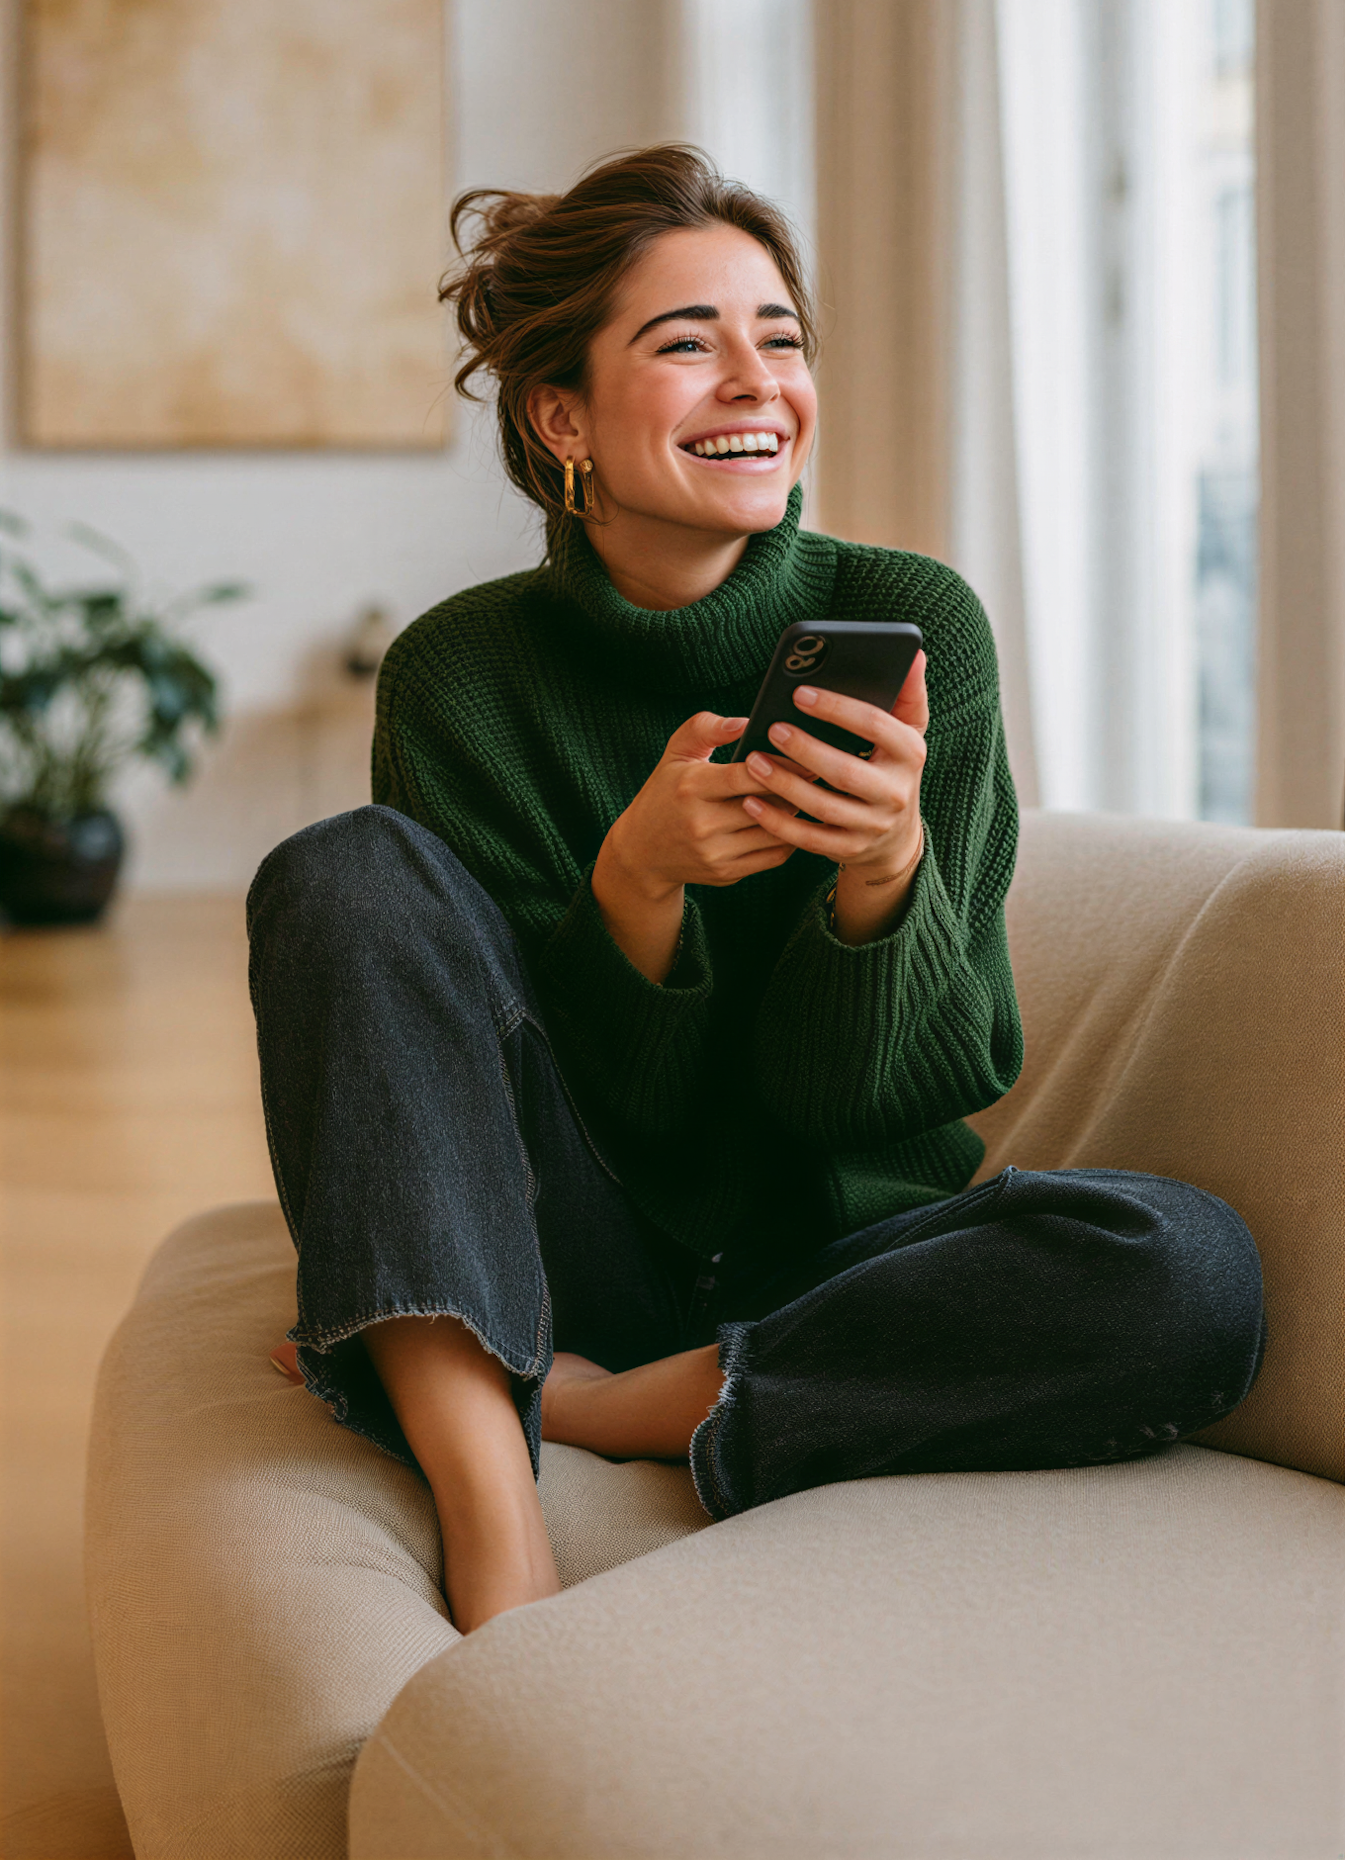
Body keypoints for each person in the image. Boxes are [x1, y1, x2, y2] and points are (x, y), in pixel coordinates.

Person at [251, 144, 1265, 1636]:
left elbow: (893, 1099)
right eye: (687, 342)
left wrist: (881, 879)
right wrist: (636, 886)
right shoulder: (463, 676)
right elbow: (524, 1101)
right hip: (570, 1242)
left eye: (778, 338)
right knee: (342, 870)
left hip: (837, 1256)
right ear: (562, 413)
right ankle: (492, 1509)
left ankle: (613, 1409)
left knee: (1189, 1268)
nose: (755, 379)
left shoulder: (924, 626)